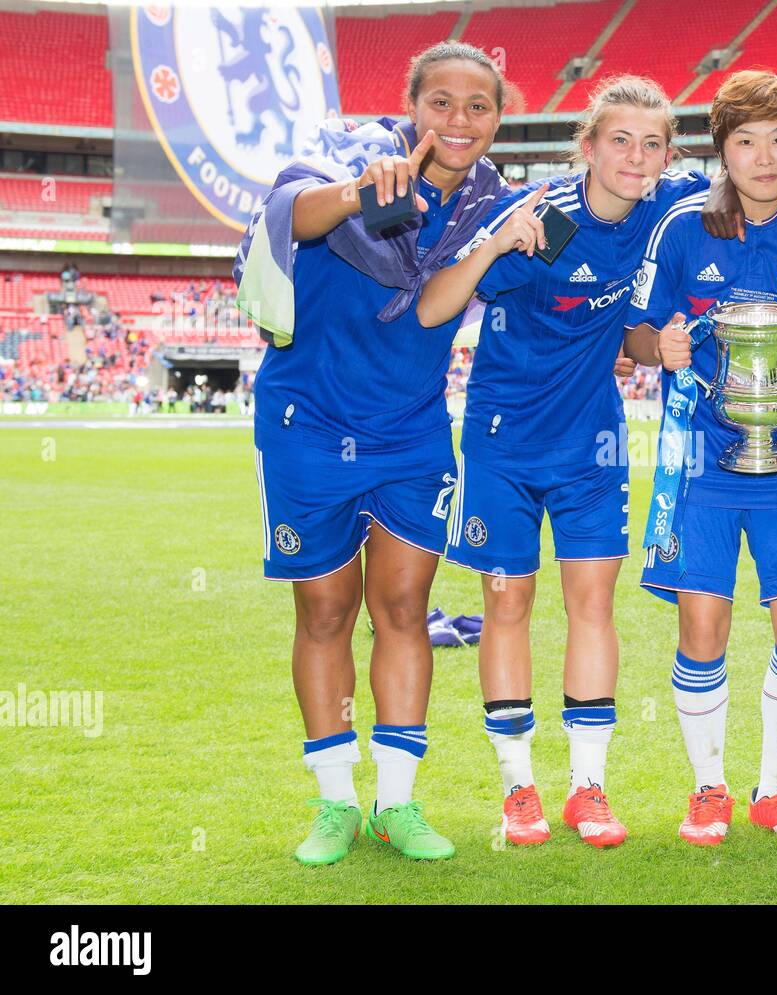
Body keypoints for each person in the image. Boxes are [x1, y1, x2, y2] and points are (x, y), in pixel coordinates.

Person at [419, 75, 777, 849]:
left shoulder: (663, 206)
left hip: (593, 442)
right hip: (502, 439)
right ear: (587, 145)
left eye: (652, 144)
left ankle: (588, 788)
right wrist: (491, 245)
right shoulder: (539, 221)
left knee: (593, 605)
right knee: (507, 605)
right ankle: (520, 789)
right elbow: (434, 307)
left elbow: (756, 158)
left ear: (669, 155)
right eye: (619, 141)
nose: (637, 157)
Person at [235, 42, 514, 866]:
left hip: (411, 430)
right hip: (308, 421)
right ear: (411, 105)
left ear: (498, 119)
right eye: (442, 102)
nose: (459, 120)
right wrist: (362, 190)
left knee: (402, 608)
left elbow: (431, 311)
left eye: (478, 106)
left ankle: (396, 801)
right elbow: (290, 211)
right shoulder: (350, 157)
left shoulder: (493, 205)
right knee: (323, 612)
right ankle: (335, 803)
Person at [623, 72, 777, 847]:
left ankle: (775, 788)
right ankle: (708, 788)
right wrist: (663, 345)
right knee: (703, 624)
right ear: (723, 148)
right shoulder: (682, 226)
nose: (764, 157)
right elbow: (634, 336)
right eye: (746, 141)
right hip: (701, 468)